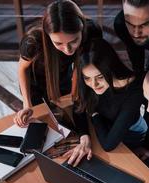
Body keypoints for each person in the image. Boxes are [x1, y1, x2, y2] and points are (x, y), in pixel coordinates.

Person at [64, 38, 149, 167]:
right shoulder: (89, 82)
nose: (93, 85)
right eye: (87, 78)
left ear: (111, 68)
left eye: (100, 77)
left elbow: (108, 145)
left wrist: (94, 115)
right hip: (107, 127)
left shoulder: (133, 89)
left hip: (132, 134)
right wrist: (84, 137)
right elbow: (79, 108)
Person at [13, 0, 102, 142]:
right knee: (42, 126)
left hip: (62, 74)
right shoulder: (33, 41)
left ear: (82, 29)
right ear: (48, 36)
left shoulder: (92, 31)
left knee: (68, 117)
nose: (68, 50)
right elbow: (22, 68)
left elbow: (80, 73)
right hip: (35, 81)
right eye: (58, 43)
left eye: (74, 41)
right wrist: (27, 104)